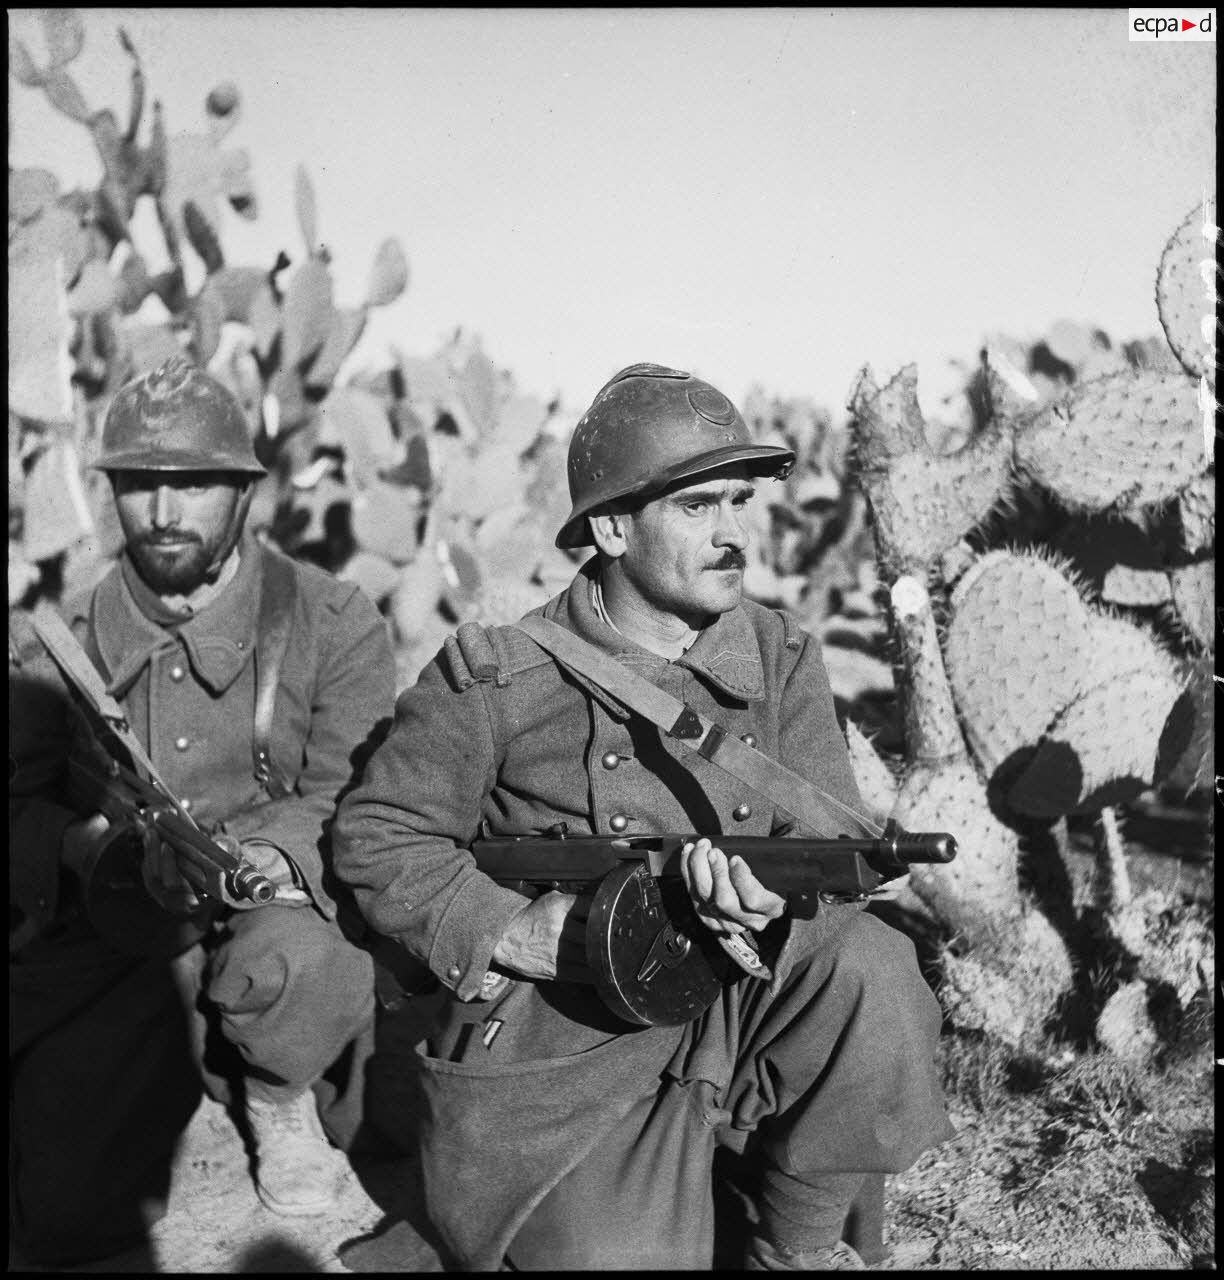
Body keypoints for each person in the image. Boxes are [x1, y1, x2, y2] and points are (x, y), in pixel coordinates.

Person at [331, 362, 955, 1270]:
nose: (735, 533)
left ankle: (799, 1248)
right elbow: (377, 835)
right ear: (614, 528)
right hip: (569, 1037)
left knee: (875, 967)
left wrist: (770, 903)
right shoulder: (498, 674)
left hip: (737, 999)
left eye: (740, 502)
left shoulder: (781, 657)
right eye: (699, 509)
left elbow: (824, 853)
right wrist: (515, 932)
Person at [9, 356, 396, 1266]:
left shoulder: (331, 620)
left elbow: (361, 796)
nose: (167, 511)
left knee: (302, 956)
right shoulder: (57, 643)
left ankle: (275, 1095)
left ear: (245, 494)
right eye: (142, 485)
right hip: (127, 939)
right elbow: (12, 799)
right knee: (65, 1212)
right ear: (112, 497)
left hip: (272, 920)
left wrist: (260, 857)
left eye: (195, 484)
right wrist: (77, 848)